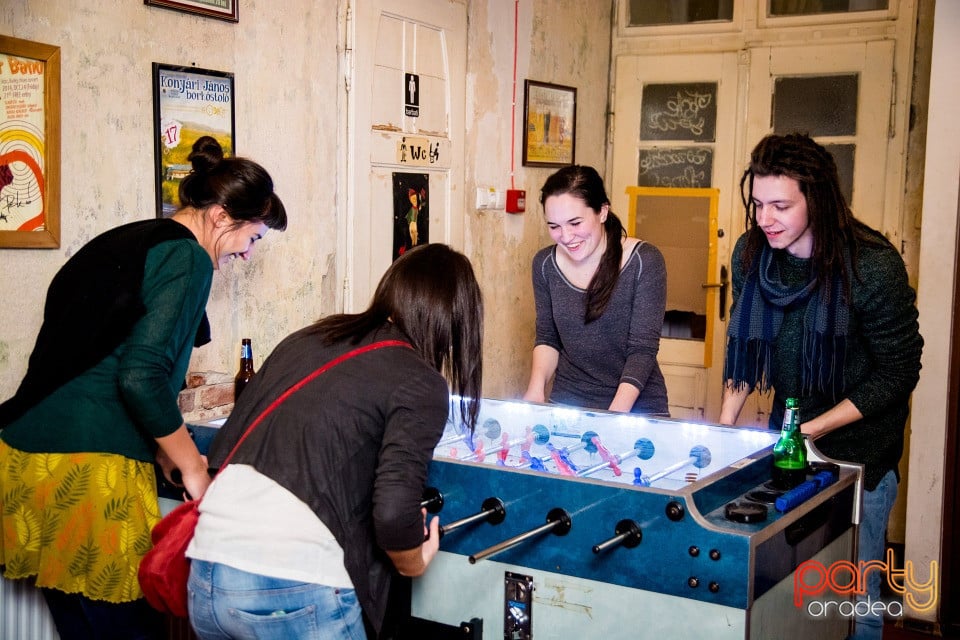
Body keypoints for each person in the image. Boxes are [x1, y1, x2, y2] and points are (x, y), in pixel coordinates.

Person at [0, 135, 287, 640]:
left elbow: (95, 355)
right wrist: (193, 464)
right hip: (89, 474)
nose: (245, 253)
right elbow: (141, 376)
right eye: (253, 237)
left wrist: (161, 447)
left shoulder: (129, 240)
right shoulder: (189, 258)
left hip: (27, 460)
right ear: (220, 217)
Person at [185, 243, 484, 640]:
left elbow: (223, 449)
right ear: (455, 322)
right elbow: (394, 514)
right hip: (295, 583)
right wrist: (414, 561)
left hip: (207, 575)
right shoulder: (419, 380)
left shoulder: (311, 337)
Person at [718, 133, 923, 639]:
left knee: (854, 602)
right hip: (788, 450)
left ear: (819, 199)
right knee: (789, 599)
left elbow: (900, 371)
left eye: (781, 206)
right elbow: (745, 349)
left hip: (859, 459)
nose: (765, 218)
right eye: (758, 203)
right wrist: (723, 432)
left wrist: (810, 429)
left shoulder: (871, 266)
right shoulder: (752, 254)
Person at [523, 164, 669, 415]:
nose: (566, 236)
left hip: (636, 410)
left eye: (575, 223)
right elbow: (548, 337)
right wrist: (535, 392)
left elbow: (642, 350)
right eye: (554, 226)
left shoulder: (644, 261)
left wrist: (612, 419)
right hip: (568, 406)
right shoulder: (545, 265)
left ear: (602, 212)